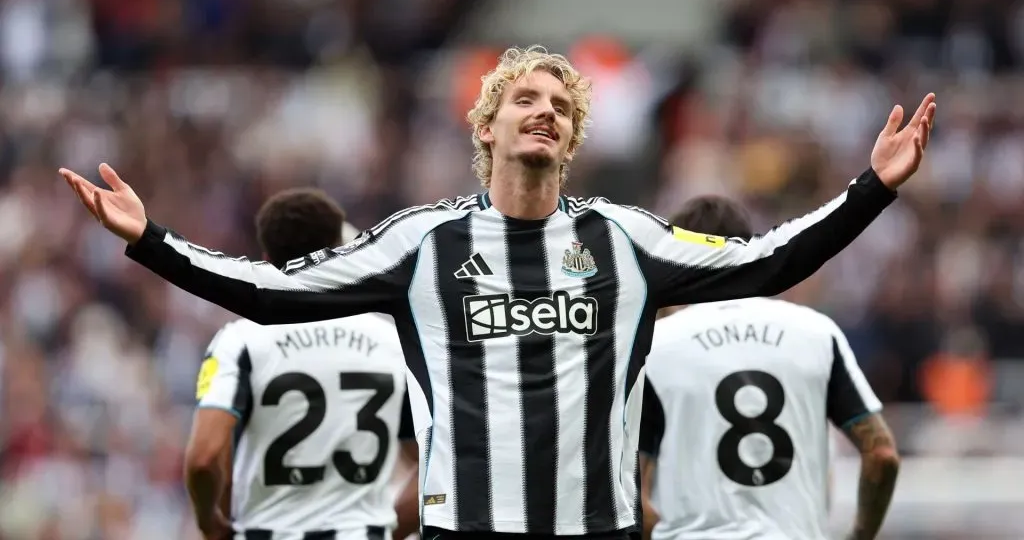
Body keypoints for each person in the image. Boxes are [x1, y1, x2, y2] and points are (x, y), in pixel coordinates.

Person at [59, 46, 934, 540]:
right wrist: (150, 240)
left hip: (599, 533)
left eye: (559, 101)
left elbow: (768, 262)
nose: (543, 108)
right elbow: (269, 294)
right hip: (464, 533)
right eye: (524, 96)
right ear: (487, 126)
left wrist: (874, 188)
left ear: (573, 134)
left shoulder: (624, 238)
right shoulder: (421, 241)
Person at [638, 196, 899, 540]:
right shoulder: (817, 333)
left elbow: (621, 488)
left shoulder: (655, 346)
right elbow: (881, 453)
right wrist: (860, 535)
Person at [182, 188, 420, 540]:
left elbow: (203, 458)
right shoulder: (391, 342)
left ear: (266, 258)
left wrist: (207, 519)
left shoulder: (241, 340)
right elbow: (439, 461)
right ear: (342, 251)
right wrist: (386, 529)